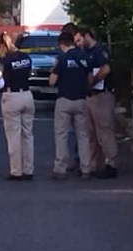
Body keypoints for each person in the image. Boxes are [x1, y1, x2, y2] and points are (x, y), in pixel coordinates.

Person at [50, 30, 93, 180]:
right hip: (81, 99)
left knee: (61, 135)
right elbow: (90, 79)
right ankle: (86, 168)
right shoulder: (84, 57)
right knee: (83, 136)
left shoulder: (61, 59)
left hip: (64, 99)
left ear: (62, 45)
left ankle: (60, 169)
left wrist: (53, 70)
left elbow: (52, 81)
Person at [0, 32, 36, 180]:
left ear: (1, 46)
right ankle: (28, 170)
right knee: (28, 135)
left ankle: (16, 171)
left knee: (14, 136)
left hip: (11, 97)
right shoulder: (26, 57)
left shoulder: (5, 60)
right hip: (27, 95)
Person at [80, 27, 119, 179]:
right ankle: (93, 164)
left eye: (80, 39)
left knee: (104, 130)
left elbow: (106, 69)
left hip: (102, 95)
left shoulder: (99, 51)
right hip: (90, 95)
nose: (78, 43)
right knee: (91, 133)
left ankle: (111, 164)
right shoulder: (86, 52)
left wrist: (93, 81)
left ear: (87, 36)